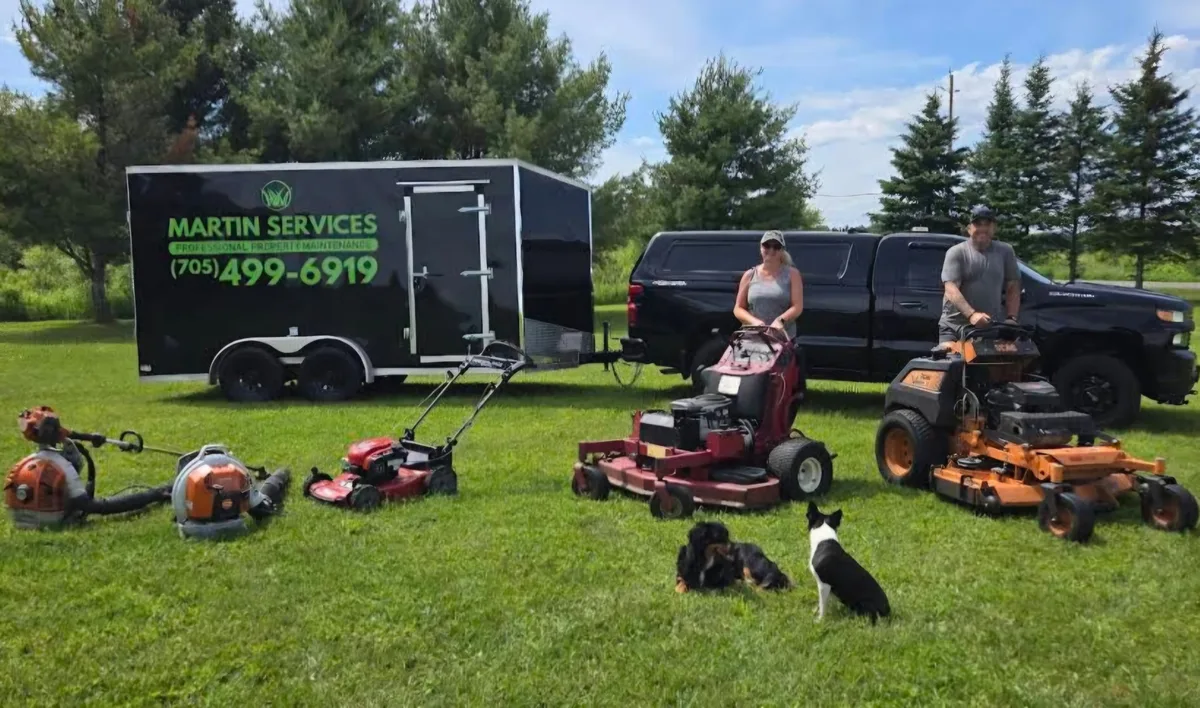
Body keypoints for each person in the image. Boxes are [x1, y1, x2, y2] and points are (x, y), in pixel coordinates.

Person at [938, 205, 1021, 343]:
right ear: (969, 228)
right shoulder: (956, 252)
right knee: (947, 356)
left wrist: (1011, 317)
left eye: (987, 224)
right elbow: (951, 289)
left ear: (994, 228)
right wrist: (972, 315)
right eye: (977, 224)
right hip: (953, 327)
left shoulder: (1006, 251)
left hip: (988, 327)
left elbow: (1013, 284)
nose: (982, 229)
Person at [734, 230, 804, 339]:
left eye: (776, 247)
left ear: (782, 250)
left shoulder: (792, 274)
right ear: (761, 248)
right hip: (753, 337)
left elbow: (797, 307)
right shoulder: (749, 275)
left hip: (782, 339)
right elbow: (738, 308)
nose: (771, 250)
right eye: (767, 245)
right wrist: (755, 322)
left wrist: (780, 321)